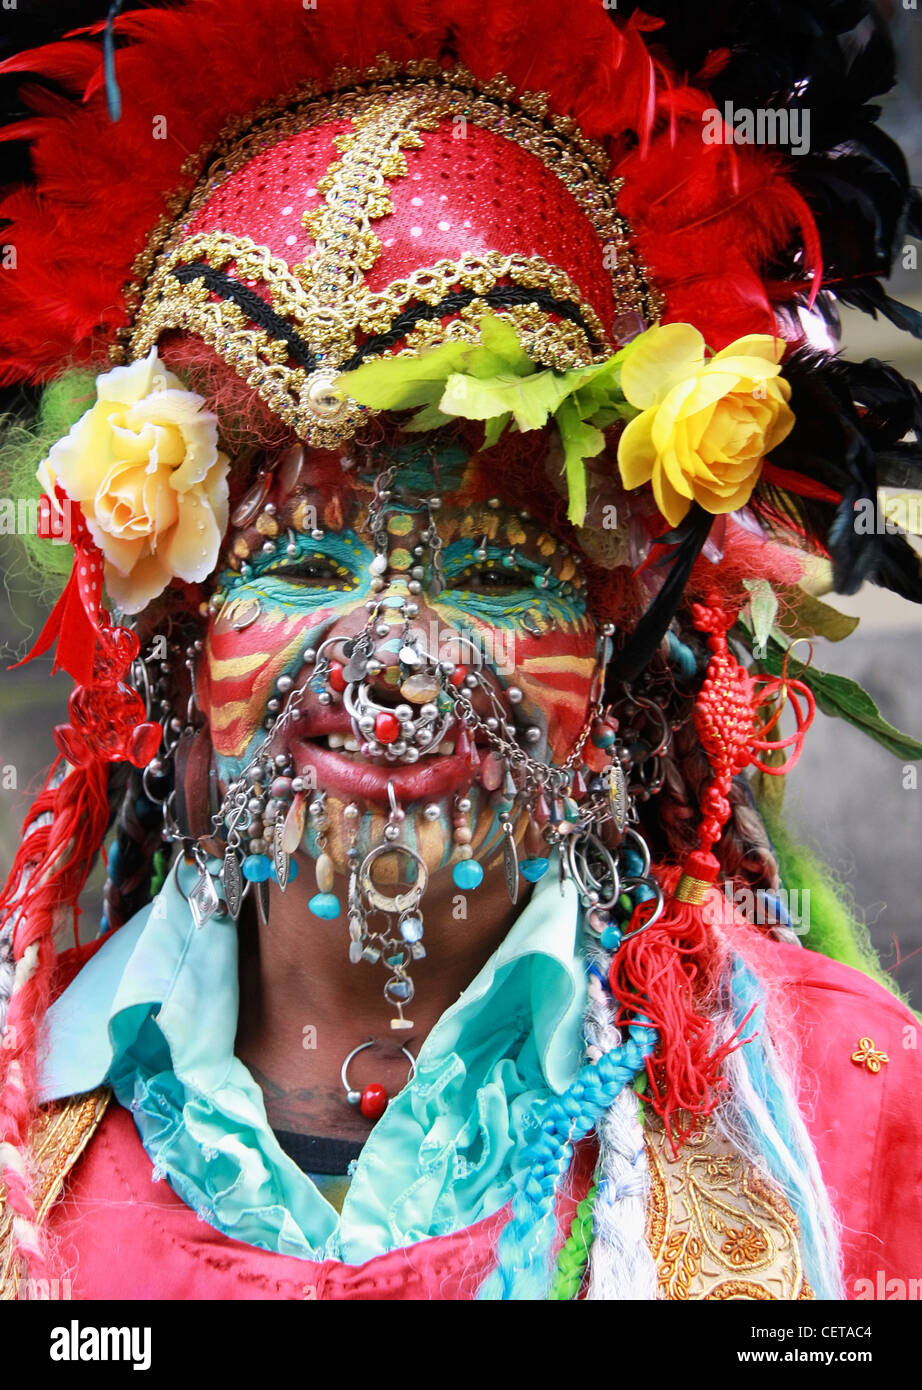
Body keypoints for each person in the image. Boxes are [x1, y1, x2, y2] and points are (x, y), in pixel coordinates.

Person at [0, 0, 920, 1302]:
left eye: (489, 573)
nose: (393, 656)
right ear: (182, 644)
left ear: (612, 657)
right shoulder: (19, 1105)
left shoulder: (850, 1112)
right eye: (307, 565)